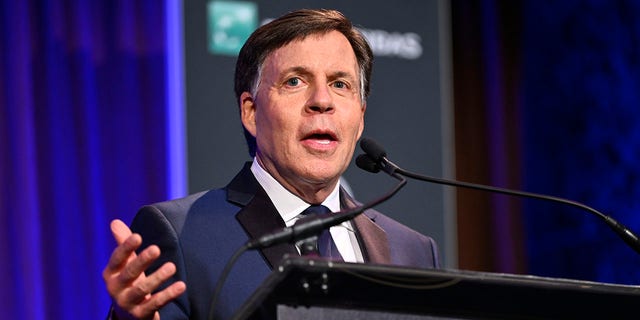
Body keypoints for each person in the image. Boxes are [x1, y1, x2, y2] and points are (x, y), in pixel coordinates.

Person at [102, 8, 440, 320]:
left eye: (340, 84)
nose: (322, 101)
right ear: (250, 111)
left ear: (360, 119)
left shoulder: (413, 250)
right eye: (295, 81)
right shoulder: (182, 235)